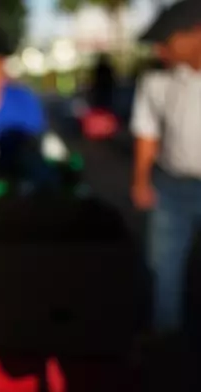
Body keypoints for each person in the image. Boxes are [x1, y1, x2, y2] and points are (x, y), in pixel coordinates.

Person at [130, 0, 201, 341]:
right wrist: (140, 180)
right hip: (172, 185)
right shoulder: (157, 81)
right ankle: (165, 335)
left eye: (167, 40)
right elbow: (147, 134)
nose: (160, 50)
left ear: (196, 34)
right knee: (163, 266)